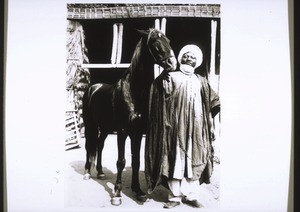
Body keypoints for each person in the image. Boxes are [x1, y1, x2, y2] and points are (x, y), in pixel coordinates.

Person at [145, 44, 220, 209]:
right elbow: (157, 95)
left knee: (194, 158)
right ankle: (174, 197)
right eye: (186, 55)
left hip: (197, 128)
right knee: (175, 160)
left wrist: (211, 126)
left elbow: (210, 105)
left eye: (193, 57)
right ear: (180, 58)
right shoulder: (171, 77)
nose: (189, 58)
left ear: (197, 61)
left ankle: (191, 196)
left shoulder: (201, 81)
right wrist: (164, 76)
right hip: (174, 127)